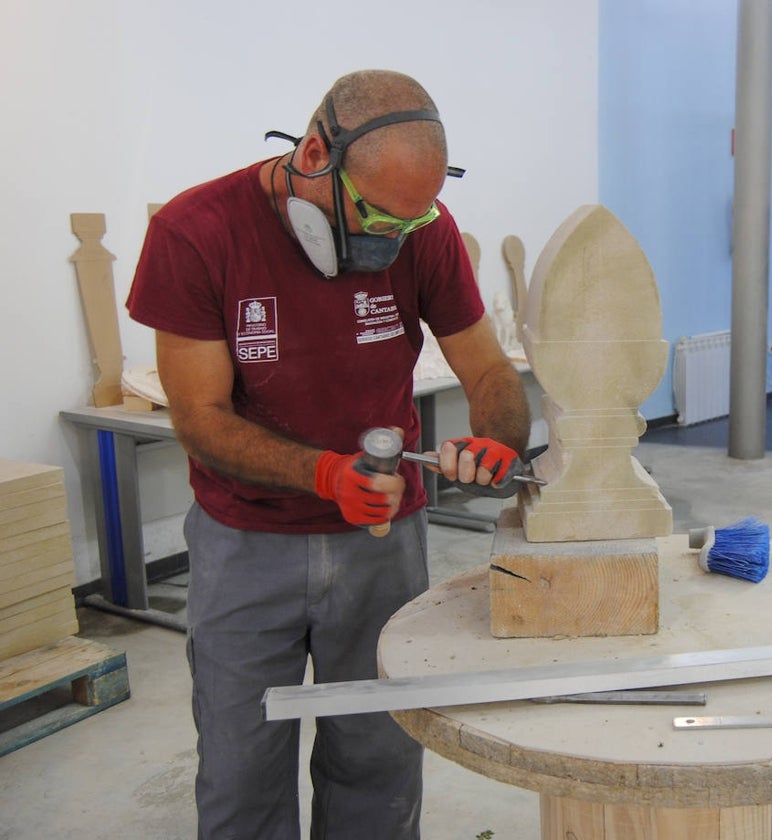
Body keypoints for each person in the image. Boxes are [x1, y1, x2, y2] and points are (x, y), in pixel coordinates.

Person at [126, 70, 531, 839]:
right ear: (315, 151)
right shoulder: (197, 231)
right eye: (375, 214)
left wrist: (499, 438)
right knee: (244, 767)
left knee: (379, 759)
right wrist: (323, 474)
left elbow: (487, 371)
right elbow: (201, 419)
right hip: (245, 544)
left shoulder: (424, 231)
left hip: (383, 543)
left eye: (408, 225)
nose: (390, 240)